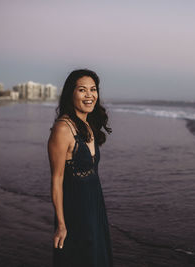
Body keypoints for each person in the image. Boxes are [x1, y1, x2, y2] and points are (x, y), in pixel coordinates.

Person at [48, 69, 113, 266]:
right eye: (82, 90)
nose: (89, 95)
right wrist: (60, 224)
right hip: (75, 211)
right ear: (71, 93)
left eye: (93, 90)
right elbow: (57, 180)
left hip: (95, 206)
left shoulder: (88, 126)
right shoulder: (62, 129)